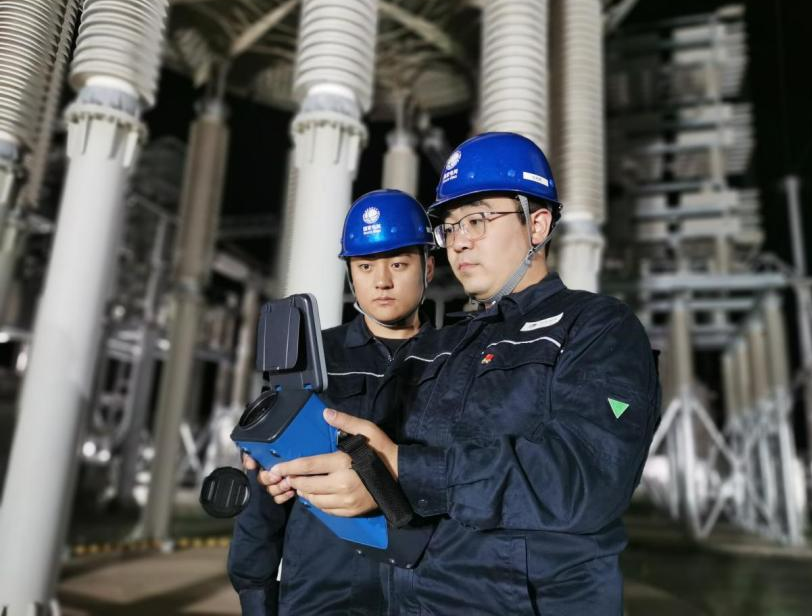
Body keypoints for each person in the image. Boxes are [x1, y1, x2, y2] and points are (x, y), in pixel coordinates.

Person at [264, 132, 661, 614]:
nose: (460, 241)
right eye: (450, 227)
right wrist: (299, 462)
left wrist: (402, 470)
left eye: (477, 220)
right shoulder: (439, 347)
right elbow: (377, 448)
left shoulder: (596, 328)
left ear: (537, 224)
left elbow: (586, 478)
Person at [227, 189, 435, 615]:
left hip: (426, 594)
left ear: (428, 267)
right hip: (321, 595)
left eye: (398, 264)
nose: (382, 281)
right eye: (365, 266)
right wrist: (255, 593)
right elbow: (265, 492)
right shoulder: (311, 361)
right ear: (351, 275)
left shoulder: (459, 361)